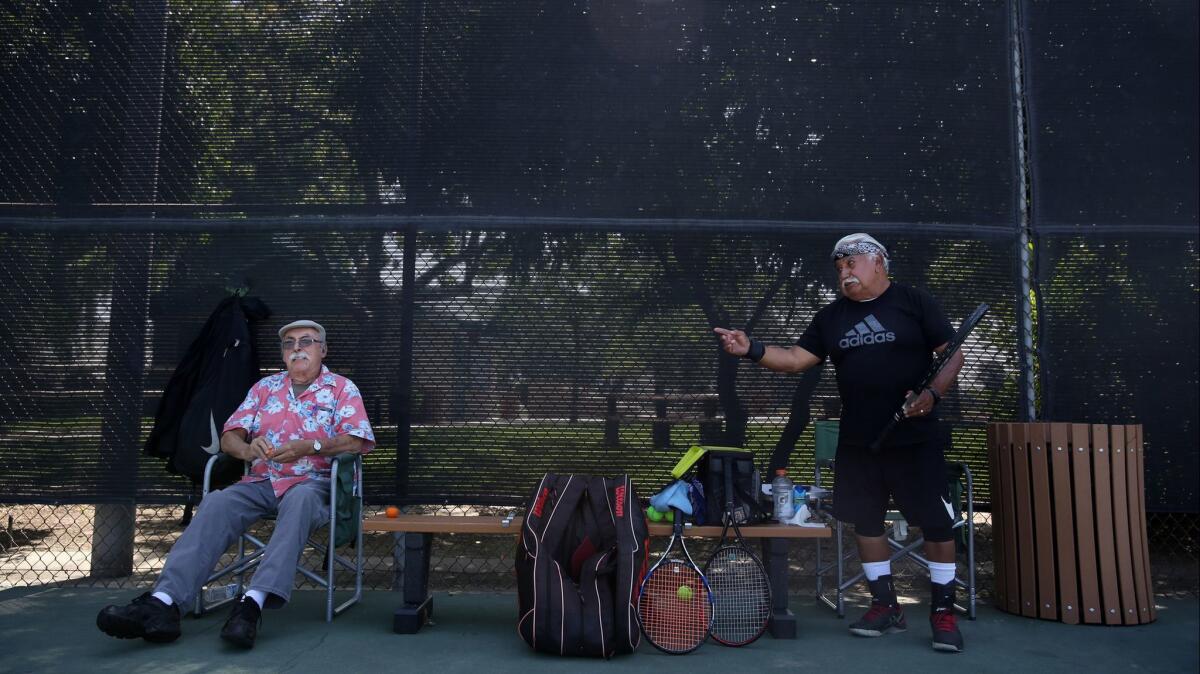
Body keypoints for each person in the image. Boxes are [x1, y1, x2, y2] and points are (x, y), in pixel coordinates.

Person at [714, 233, 966, 653]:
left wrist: (933, 394)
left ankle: (942, 610)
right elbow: (795, 359)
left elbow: (952, 353)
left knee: (936, 524)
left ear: (878, 262)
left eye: (851, 263)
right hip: (859, 440)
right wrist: (750, 349)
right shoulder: (831, 318)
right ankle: (886, 606)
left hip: (915, 437)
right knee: (865, 522)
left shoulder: (914, 302)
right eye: (839, 267)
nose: (844, 272)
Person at [97, 319, 375, 649]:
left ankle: (251, 605)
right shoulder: (264, 388)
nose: (297, 348)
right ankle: (164, 604)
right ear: (284, 354)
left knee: (299, 501)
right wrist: (245, 448)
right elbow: (230, 435)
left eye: (307, 341)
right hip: (260, 480)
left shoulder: (342, 388)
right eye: (289, 344)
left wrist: (310, 446)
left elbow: (357, 442)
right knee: (216, 502)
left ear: (323, 350)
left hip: (312, 484)